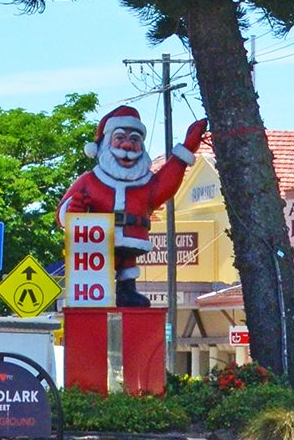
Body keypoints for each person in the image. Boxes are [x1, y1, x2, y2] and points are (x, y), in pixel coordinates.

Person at [58, 103, 207, 306]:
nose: (127, 146)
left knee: (127, 271)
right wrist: (72, 211)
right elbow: (63, 212)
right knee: (101, 273)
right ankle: (99, 293)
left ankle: (127, 289)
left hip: (132, 239)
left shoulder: (146, 184)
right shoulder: (90, 181)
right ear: (104, 145)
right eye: (120, 138)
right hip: (97, 250)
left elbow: (167, 183)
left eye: (134, 140)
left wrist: (187, 148)